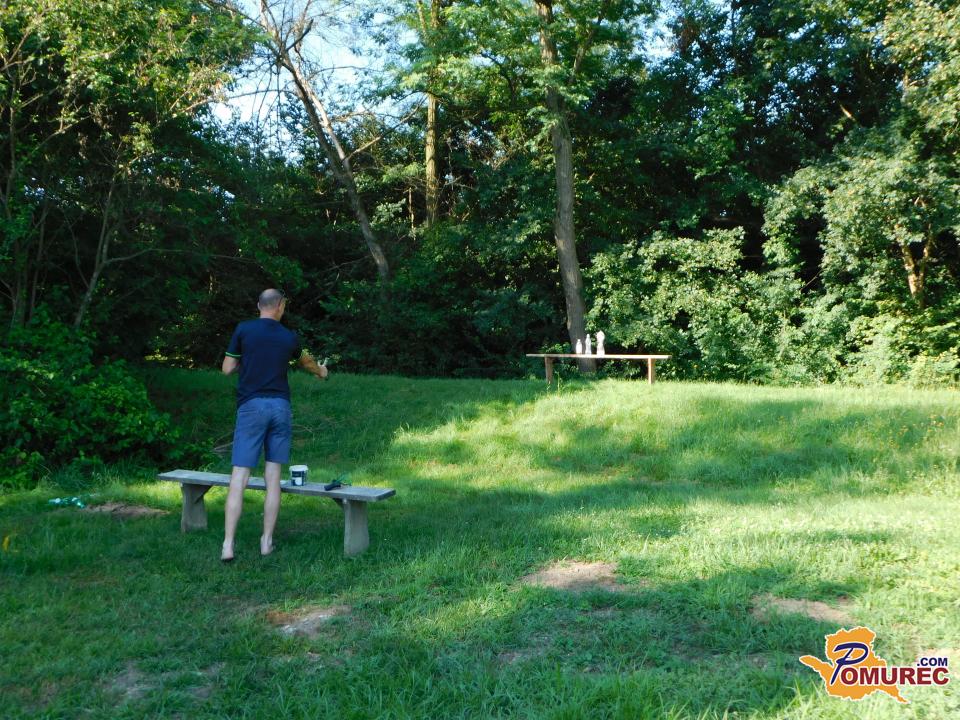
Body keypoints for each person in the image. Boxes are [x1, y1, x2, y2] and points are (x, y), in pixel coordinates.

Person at [219, 288, 328, 561]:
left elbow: (227, 368)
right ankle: (266, 542)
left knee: (239, 476)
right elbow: (306, 362)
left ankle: (228, 546)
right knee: (273, 477)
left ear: (259, 305)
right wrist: (321, 371)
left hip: (251, 407)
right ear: (280, 306)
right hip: (280, 408)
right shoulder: (289, 337)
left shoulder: (243, 330)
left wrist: (246, 362)